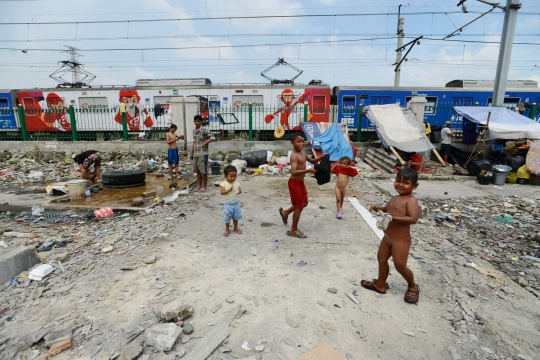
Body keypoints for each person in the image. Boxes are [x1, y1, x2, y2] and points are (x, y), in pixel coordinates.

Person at [360, 168, 421, 304]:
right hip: (387, 238)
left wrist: (393, 218)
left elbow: (413, 219)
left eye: (405, 183)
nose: (400, 184)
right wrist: (379, 209)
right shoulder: (395, 198)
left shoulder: (411, 201)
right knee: (381, 259)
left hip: (400, 241)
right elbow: (387, 210)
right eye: (398, 181)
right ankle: (380, 284)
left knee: (400, 266)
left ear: (415, 186)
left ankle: (413, 286)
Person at [278, 133, 326, 238]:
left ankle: (285, 213)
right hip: (294, 182)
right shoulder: (294, 155)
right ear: (292, 143)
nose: (301, 144)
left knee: (303, 203)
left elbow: (312, 161)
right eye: (298, 141)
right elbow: (294, 171)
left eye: (302, 141)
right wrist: (309, 170)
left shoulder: (303, 152)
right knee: (299, 205)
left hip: (300, 182)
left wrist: (320, 157)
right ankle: (293, 230)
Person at [192, 114, 216, 192]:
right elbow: (194, 142)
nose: (197, 123)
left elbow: (213, 137)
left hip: (203, 153)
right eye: (195, 121)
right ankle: (199, 185)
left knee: (204, 171)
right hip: (196, 153)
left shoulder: (204, 130)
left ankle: (204, 186)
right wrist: (192, 153)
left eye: (198, 121)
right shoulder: (194, 131)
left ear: (201, 122)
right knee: (197, 171)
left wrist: (205, 143)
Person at [220, 165, 243, 237]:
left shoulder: (236, 183)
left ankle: (236, 228)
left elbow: (240, 191)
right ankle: (227, 229)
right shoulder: (224, 184)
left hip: (236, 204)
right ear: (225, 176)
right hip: (228, 205)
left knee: (236, 217)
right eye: (231, 176)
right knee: (227, 218)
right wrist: (229, 190)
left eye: (235, 176)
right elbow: (222, 192)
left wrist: (238, 191)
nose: (233, 178)